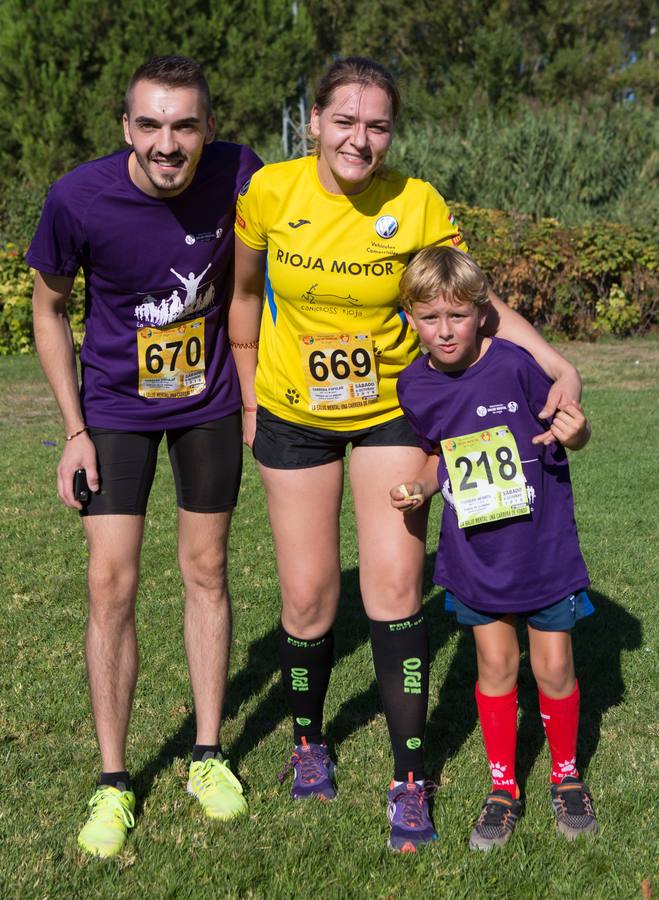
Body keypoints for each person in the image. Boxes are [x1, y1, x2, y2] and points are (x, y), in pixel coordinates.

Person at [228, 55, 583, 853]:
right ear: (313, 120)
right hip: (290, 414)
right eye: (344, 120)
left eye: (377, 124)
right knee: (310, 596)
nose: (361, 138)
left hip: (393, 412)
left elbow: (476, 299)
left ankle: (408, 778)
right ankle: (307, 741)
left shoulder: (416, 202)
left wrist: (555, 362)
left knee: (394, 589)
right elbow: (243, 296)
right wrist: (250, 402)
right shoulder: (268, 193)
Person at [28, 56, 262, 858]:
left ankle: (206, 755)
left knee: (206, 570)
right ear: (126, 126)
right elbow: (50, 308)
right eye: (152, 125)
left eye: (185, 126)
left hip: (208, 404)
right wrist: (73, 430)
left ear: (208, 128)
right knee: (110, 582)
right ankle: (114, 779)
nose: (169, 144)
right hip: (116, 412)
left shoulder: (241, 174)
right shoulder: (77, 196)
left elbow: (263, 278)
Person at [391, 245, 598, 850]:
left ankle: (565, 776)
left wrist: (577, 431)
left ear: (482, 314)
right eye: (430, 318)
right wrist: (421, 488)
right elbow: (439, 454)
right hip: (477, 555)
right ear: (412, 320)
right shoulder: (414, 387)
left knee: (554, 667)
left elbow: (568, 423)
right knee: (496, 666)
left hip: (542, 547)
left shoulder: (514, 364)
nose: (445, 330)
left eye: (458, 315)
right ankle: (503, 787)